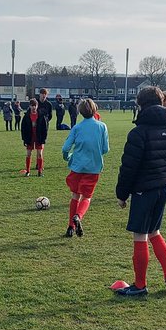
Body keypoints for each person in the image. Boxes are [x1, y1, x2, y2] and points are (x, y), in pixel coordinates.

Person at [114, 86, 166, 297]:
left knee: (140, 236)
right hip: (163, 189)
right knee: (155, 232)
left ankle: (139, 285)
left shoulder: (138, 132)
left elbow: (128, 167)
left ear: (140, 104)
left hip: (143, 191)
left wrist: (122, 194)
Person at [60, 99, 109, 237]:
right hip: (93, 168)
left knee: (75, 195)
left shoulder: (77, 127)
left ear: (80, 112)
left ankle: (70, 227)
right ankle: (78, 216)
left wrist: (67, 156)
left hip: (77, 167)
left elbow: (65, 148)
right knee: (87, 197)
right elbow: (105, 149)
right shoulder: (102, 127)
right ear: (95, 110)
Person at [20, 98, 49, 176]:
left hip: (39, 137)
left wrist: (44, 139)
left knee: (39, 154)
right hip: (30, 137)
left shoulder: (41, 116)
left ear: (37, 106)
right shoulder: (26, 116)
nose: (34, 107)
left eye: (35, 105)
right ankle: (28, 171)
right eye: (32, 105)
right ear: (29, 106)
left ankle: (40, 171)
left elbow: (45, 129)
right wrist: (24, 139)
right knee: (28, 154)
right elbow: (23, 129)